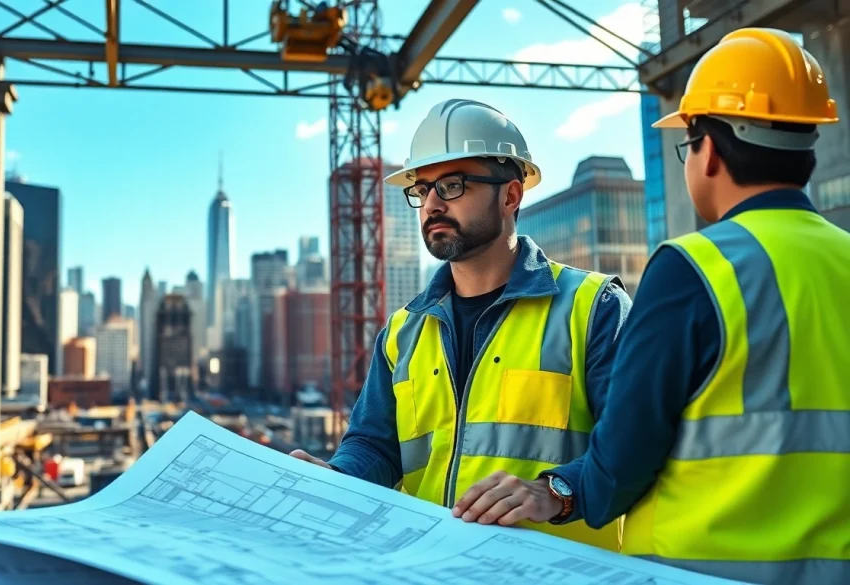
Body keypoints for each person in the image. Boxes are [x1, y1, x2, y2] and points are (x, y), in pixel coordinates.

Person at [499, 28, 850, 584]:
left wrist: (558, 491)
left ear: (708, 150)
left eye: (686, 145)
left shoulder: (695, 268)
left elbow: (624, 458)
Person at [289, 98, 632, 551]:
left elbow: (633, 445)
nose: (430, 203)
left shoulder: (592, 308)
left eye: (451, 185)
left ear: (510, 195)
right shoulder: (403, 331)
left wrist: (556, 491)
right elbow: (376, 446)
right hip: (431, 566)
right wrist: (337, 476)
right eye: (422, 189)